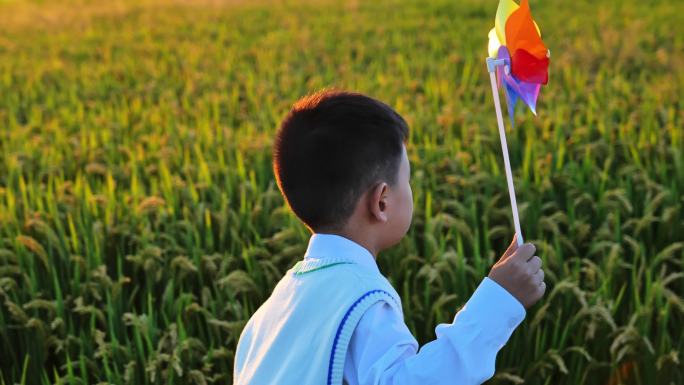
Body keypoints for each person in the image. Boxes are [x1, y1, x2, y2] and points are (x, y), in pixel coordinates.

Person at [233, 89, 546, 385]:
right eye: (406, 179)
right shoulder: (362, 298)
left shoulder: (269, 315)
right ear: (381, 201)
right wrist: (498, 302)